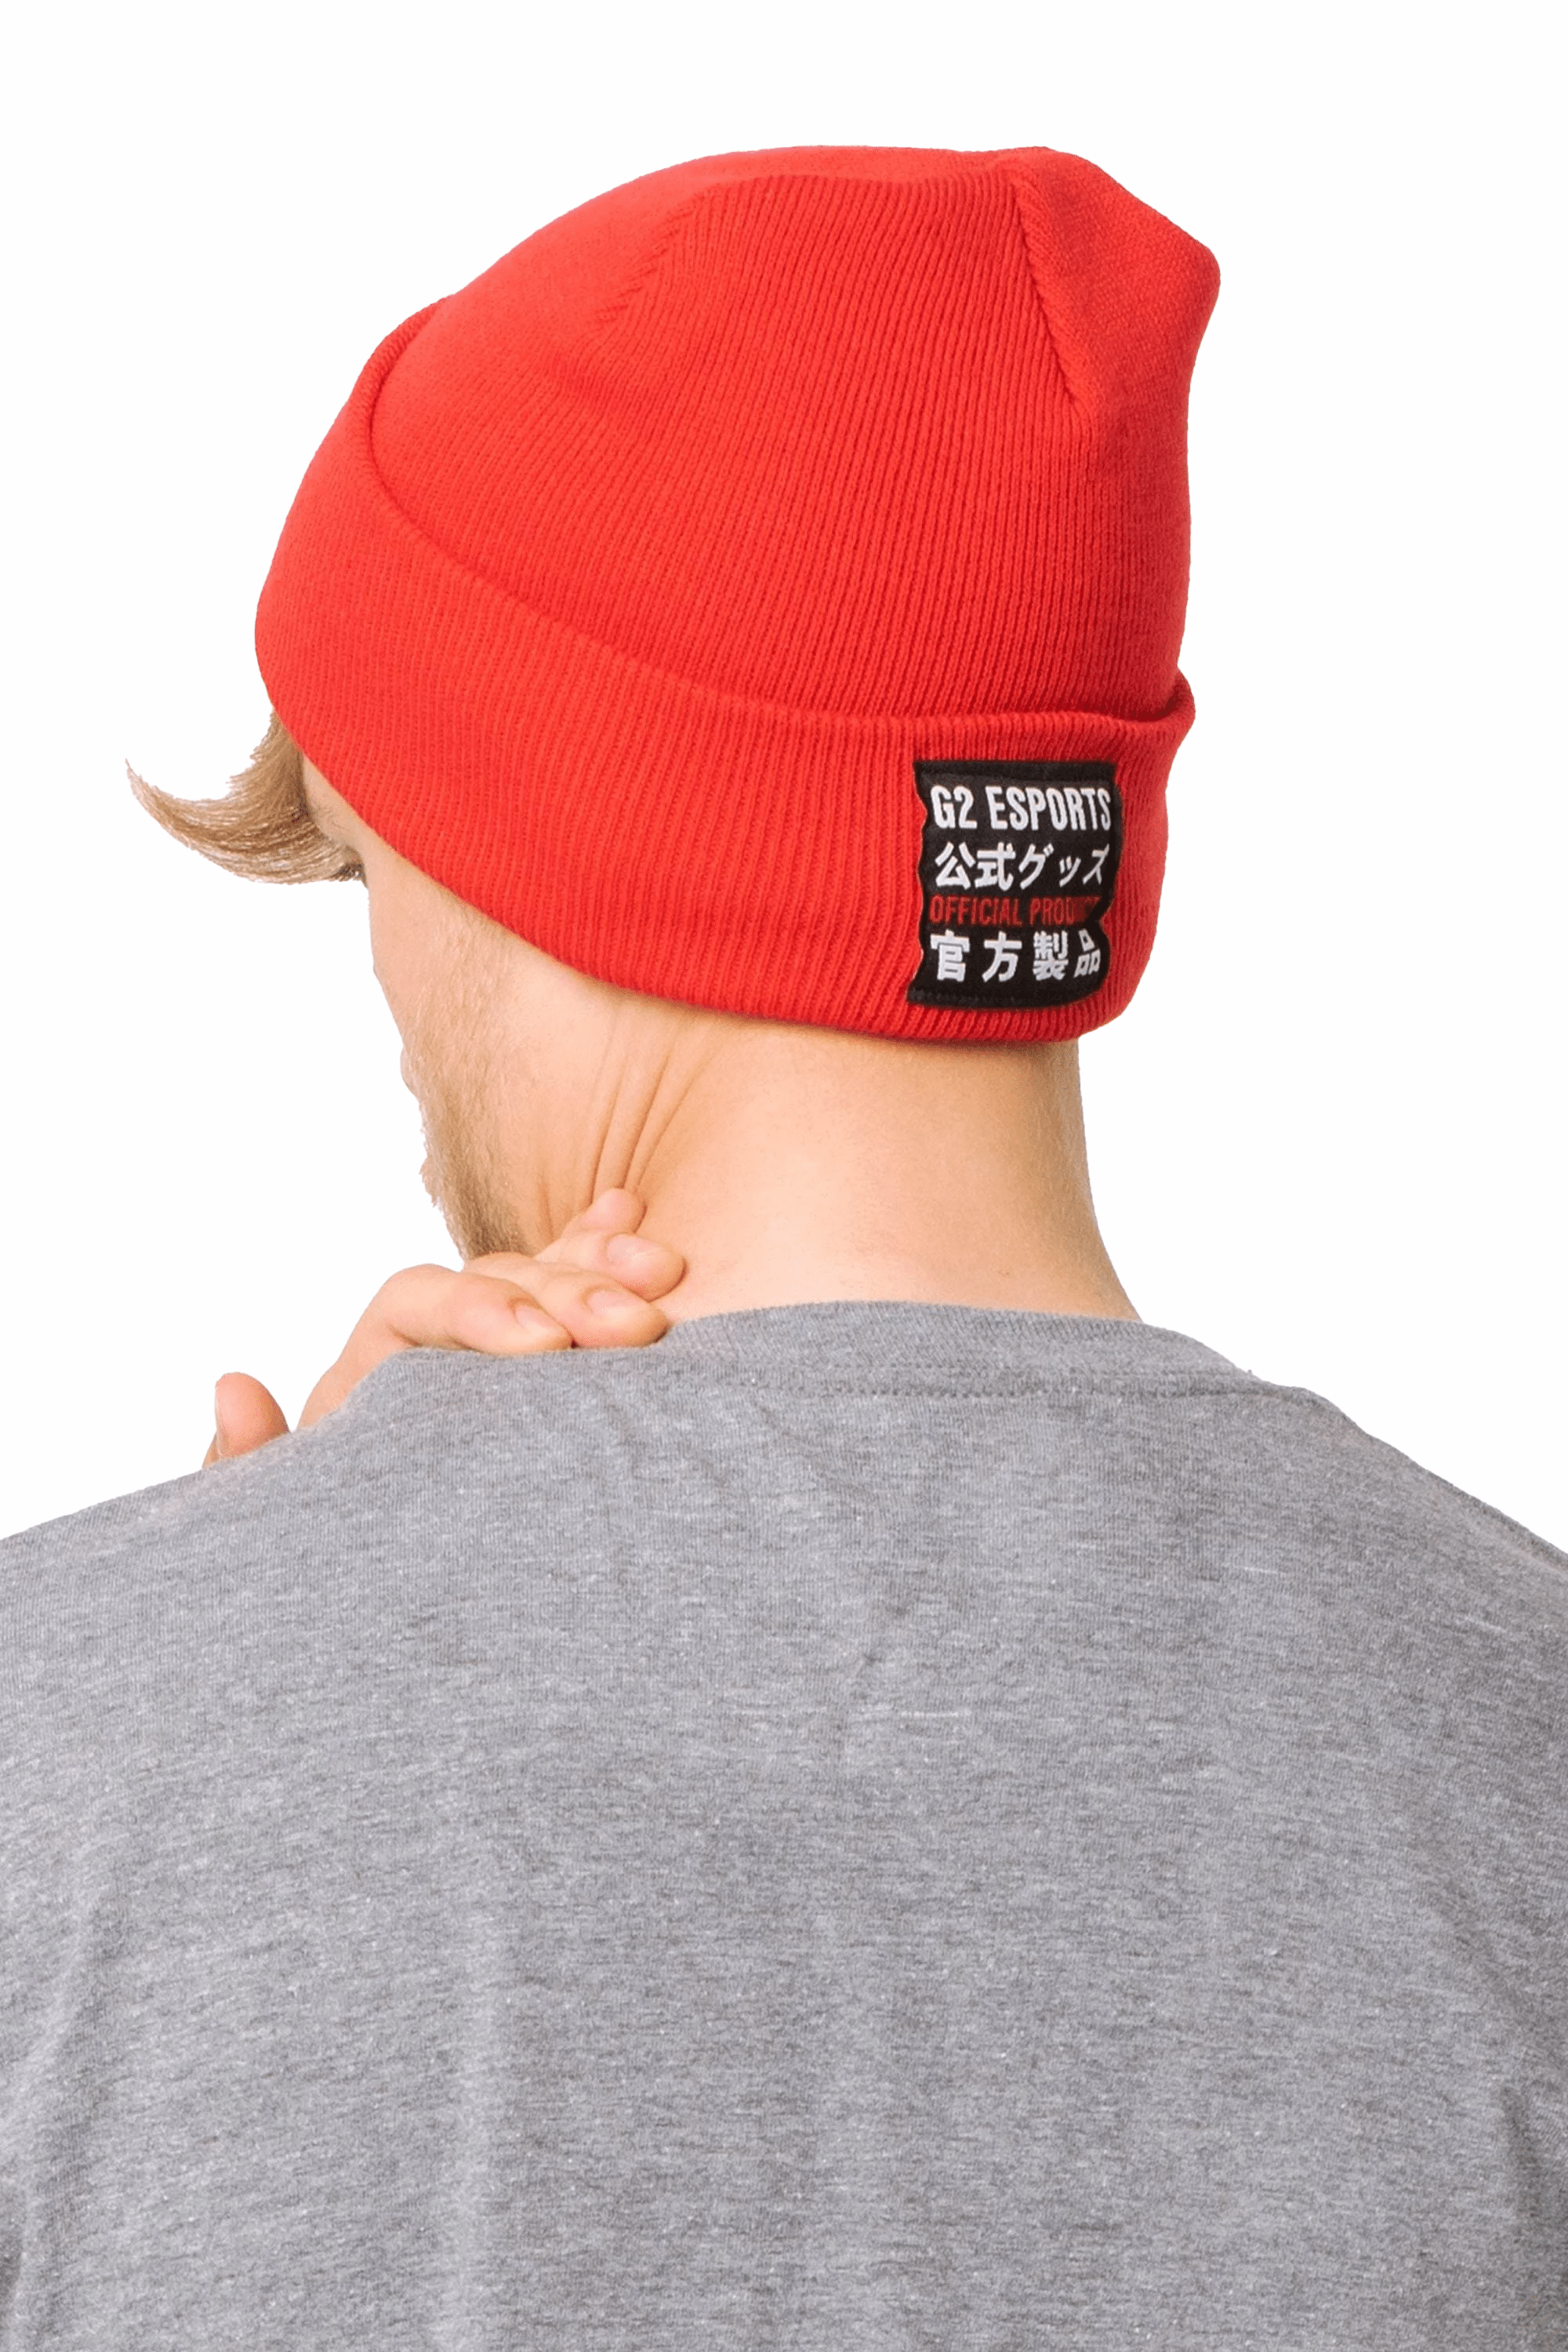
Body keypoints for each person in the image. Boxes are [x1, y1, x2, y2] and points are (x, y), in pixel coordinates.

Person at [3, 143, 1565, 2350]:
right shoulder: (1523, 1738)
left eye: (359, 869)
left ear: (509, 825)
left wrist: (182, 1695)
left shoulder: (57, 1755)